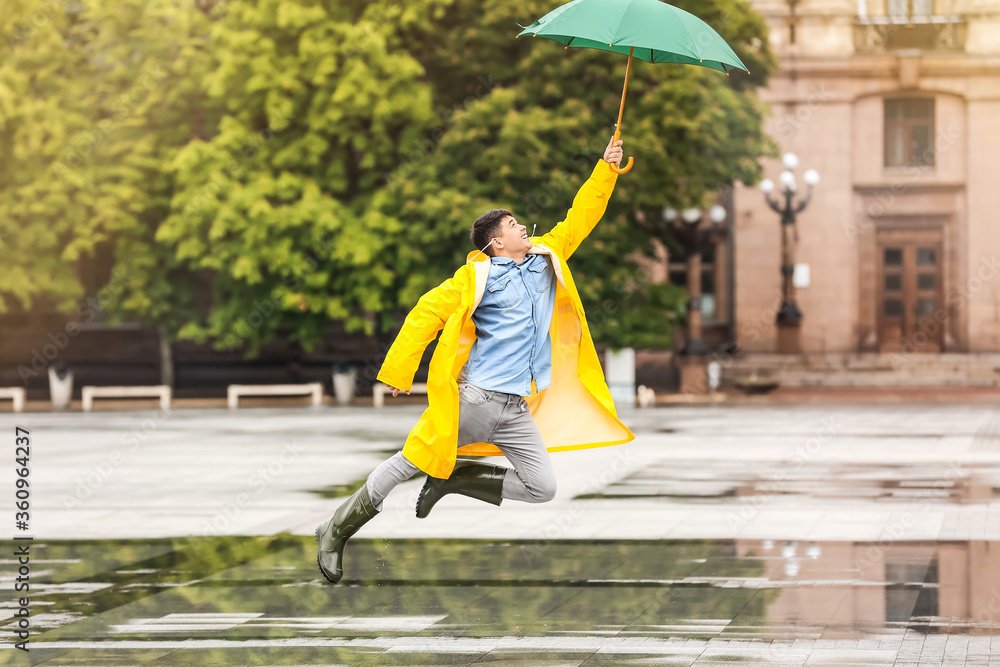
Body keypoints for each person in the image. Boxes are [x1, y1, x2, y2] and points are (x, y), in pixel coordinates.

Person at [315, 134, 635, 584]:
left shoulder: (547, 259)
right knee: (409, 461)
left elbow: (581, 216)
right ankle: (335, 529)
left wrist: (606, 168)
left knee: (542, 488)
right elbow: (426, 312)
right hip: (476, 401)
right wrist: (401, 370)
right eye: (513, 224)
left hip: (515, 409)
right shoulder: (474, 277)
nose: (524, 227)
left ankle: (456, 479)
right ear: (495, 242)